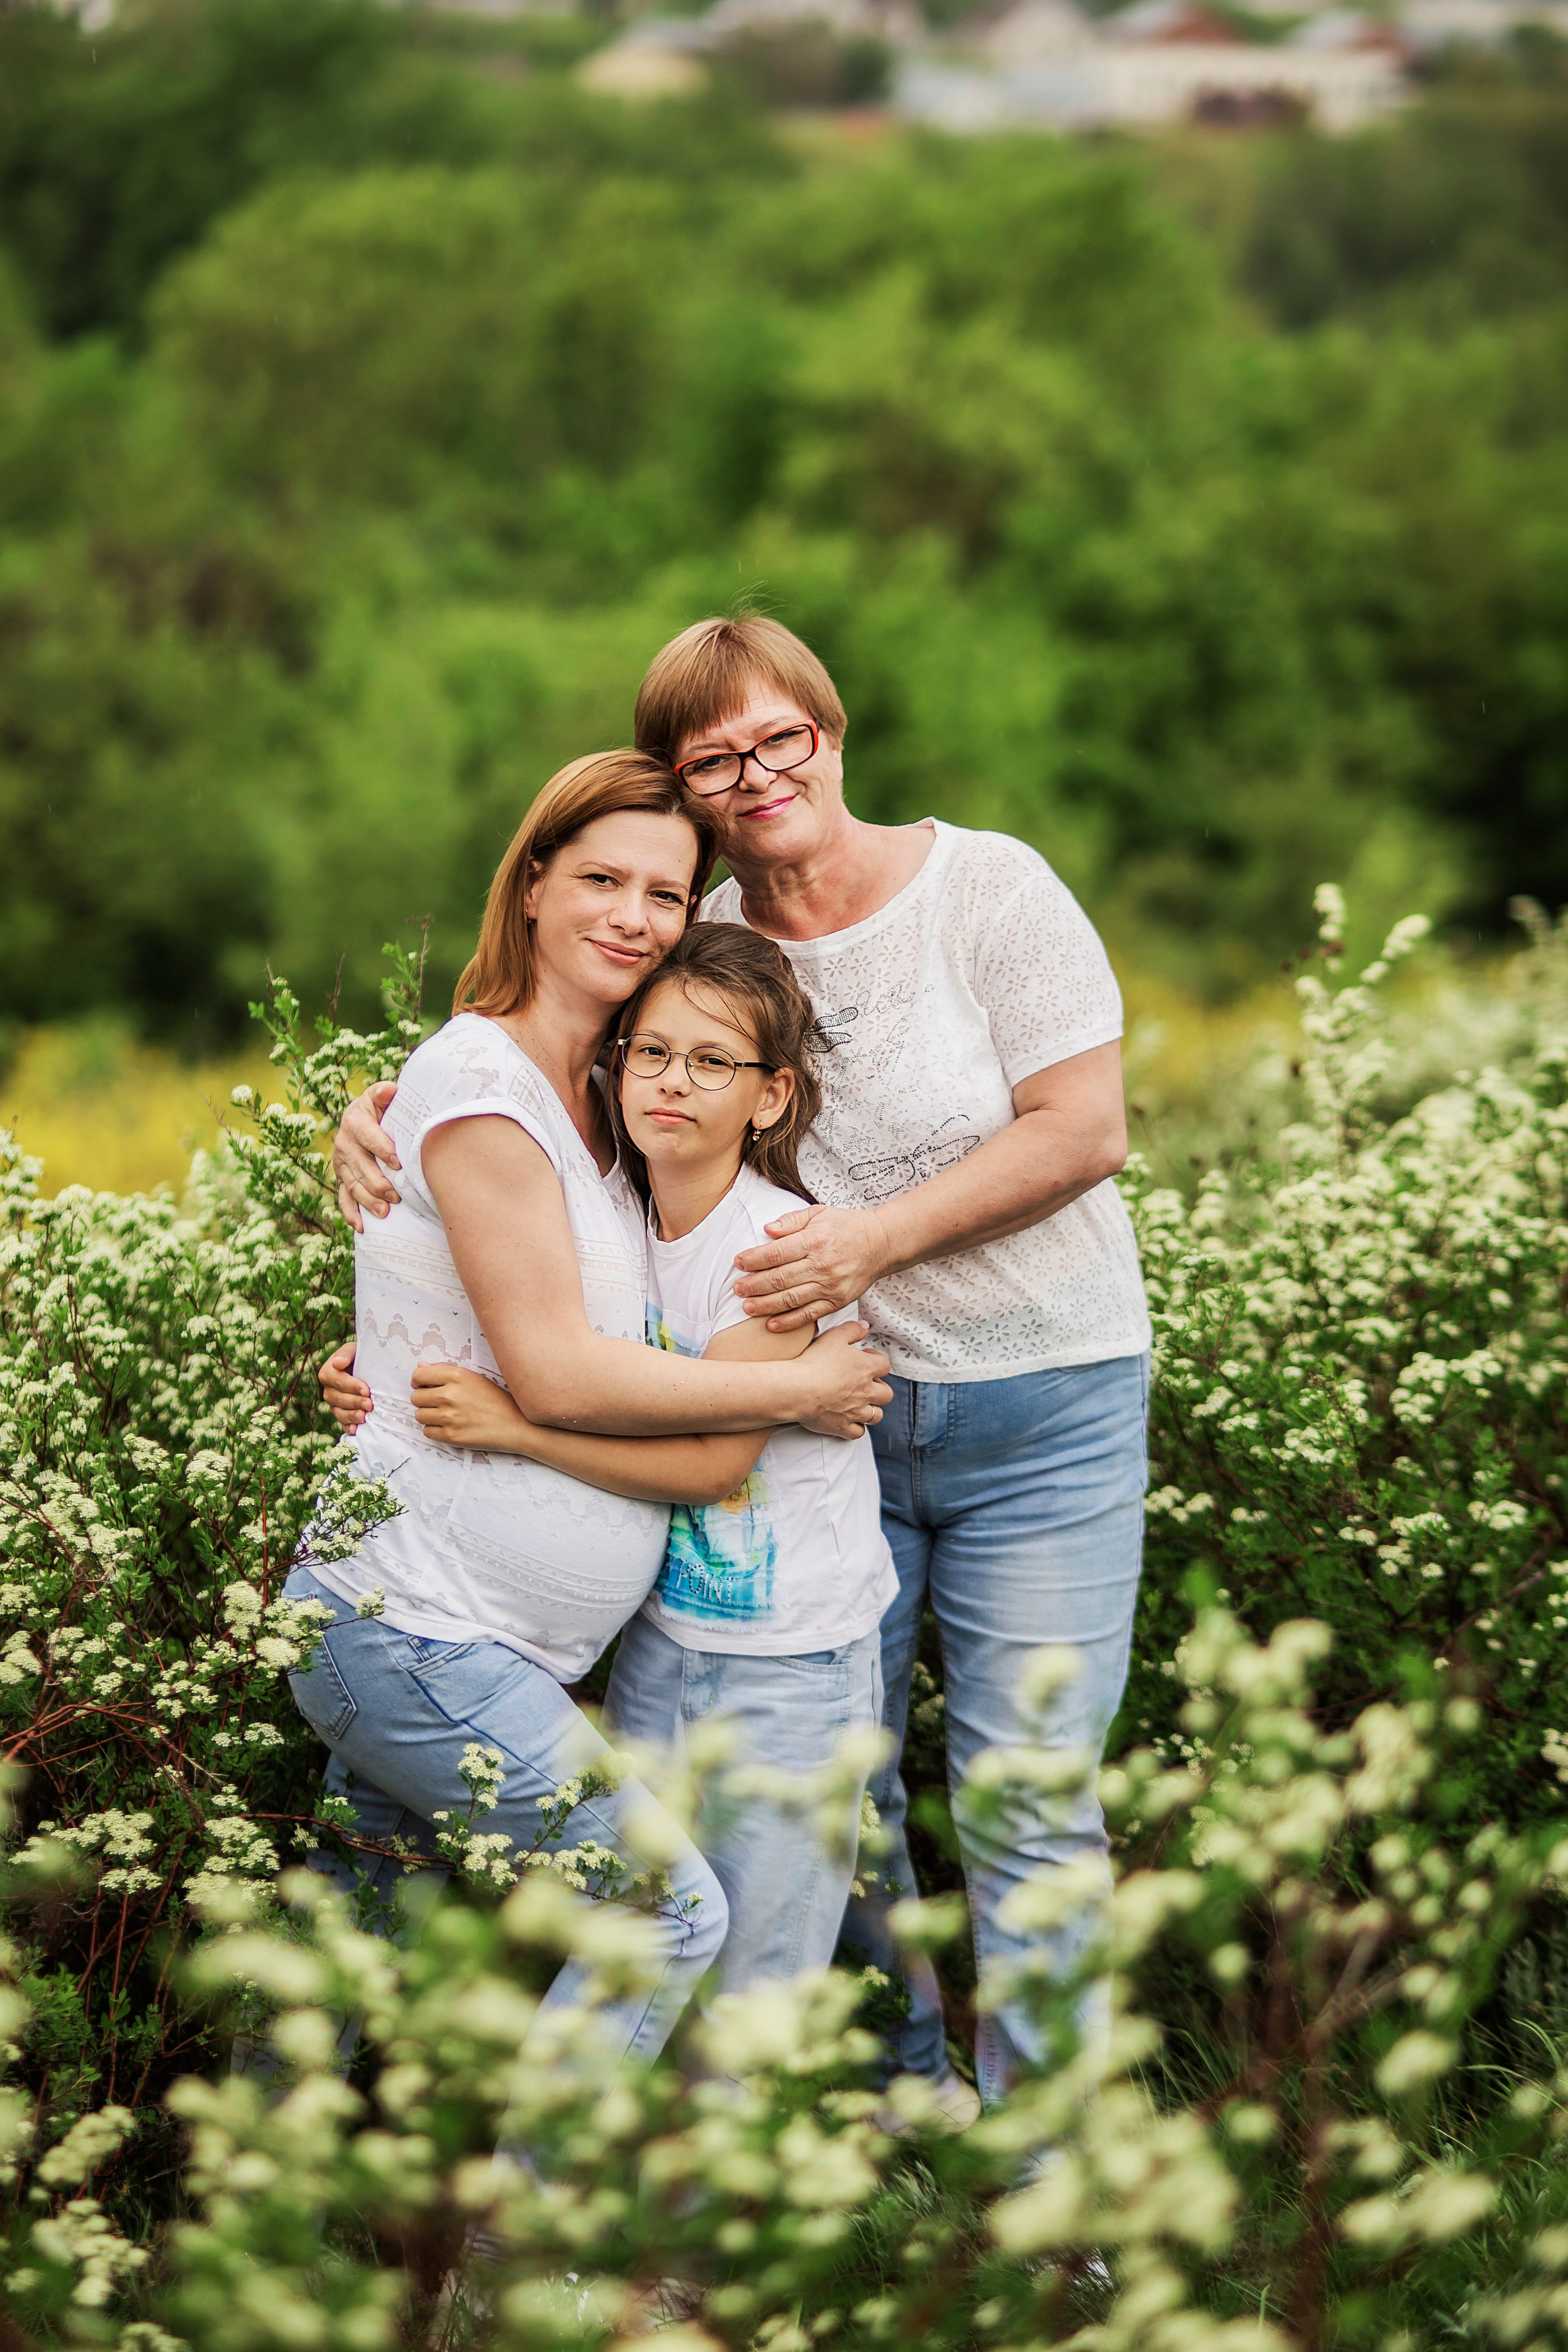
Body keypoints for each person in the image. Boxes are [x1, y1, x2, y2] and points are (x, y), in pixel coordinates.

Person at [331, 619, 1151, 2113]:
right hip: (818, 1424)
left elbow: (1085, 1130)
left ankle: (1050, 2172)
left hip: (1037, 1401)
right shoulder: (691, 925)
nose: (757, 774)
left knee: (1025, 1796)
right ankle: (905, 2089)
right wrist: (385, 1121)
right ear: (685, 788)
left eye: (782, 738)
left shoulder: (987, 887)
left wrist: (867, 1245)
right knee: (839, 1787)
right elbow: (557, 1073)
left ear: (831, 734)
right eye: (714, 760)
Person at [290, 748, 892, 2076]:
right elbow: (558, 1373)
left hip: (487, 1634)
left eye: (666, 894)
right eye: (602, 880)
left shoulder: (615, 1094)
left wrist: (386, 1338)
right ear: (531, 885)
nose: (633, 917)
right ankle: (530, 2211)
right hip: (417, 1618)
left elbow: (507, 1295)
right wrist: (795, 1388)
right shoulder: (490, 1082)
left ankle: (264, 2191)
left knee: (348, 1950)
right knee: (666, 1914)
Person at [407, 921, 896, 1995]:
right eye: (654, 1053)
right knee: (653, 1944)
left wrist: (515, 1429)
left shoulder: (773, 1254)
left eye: (713, 1062)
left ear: (770, 1096)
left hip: (788, 1659)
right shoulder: (618, 1213)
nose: (673, 1082)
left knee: (757, 1979)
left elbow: (713, 1466)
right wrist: (369, 1360)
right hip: (664, 1641)